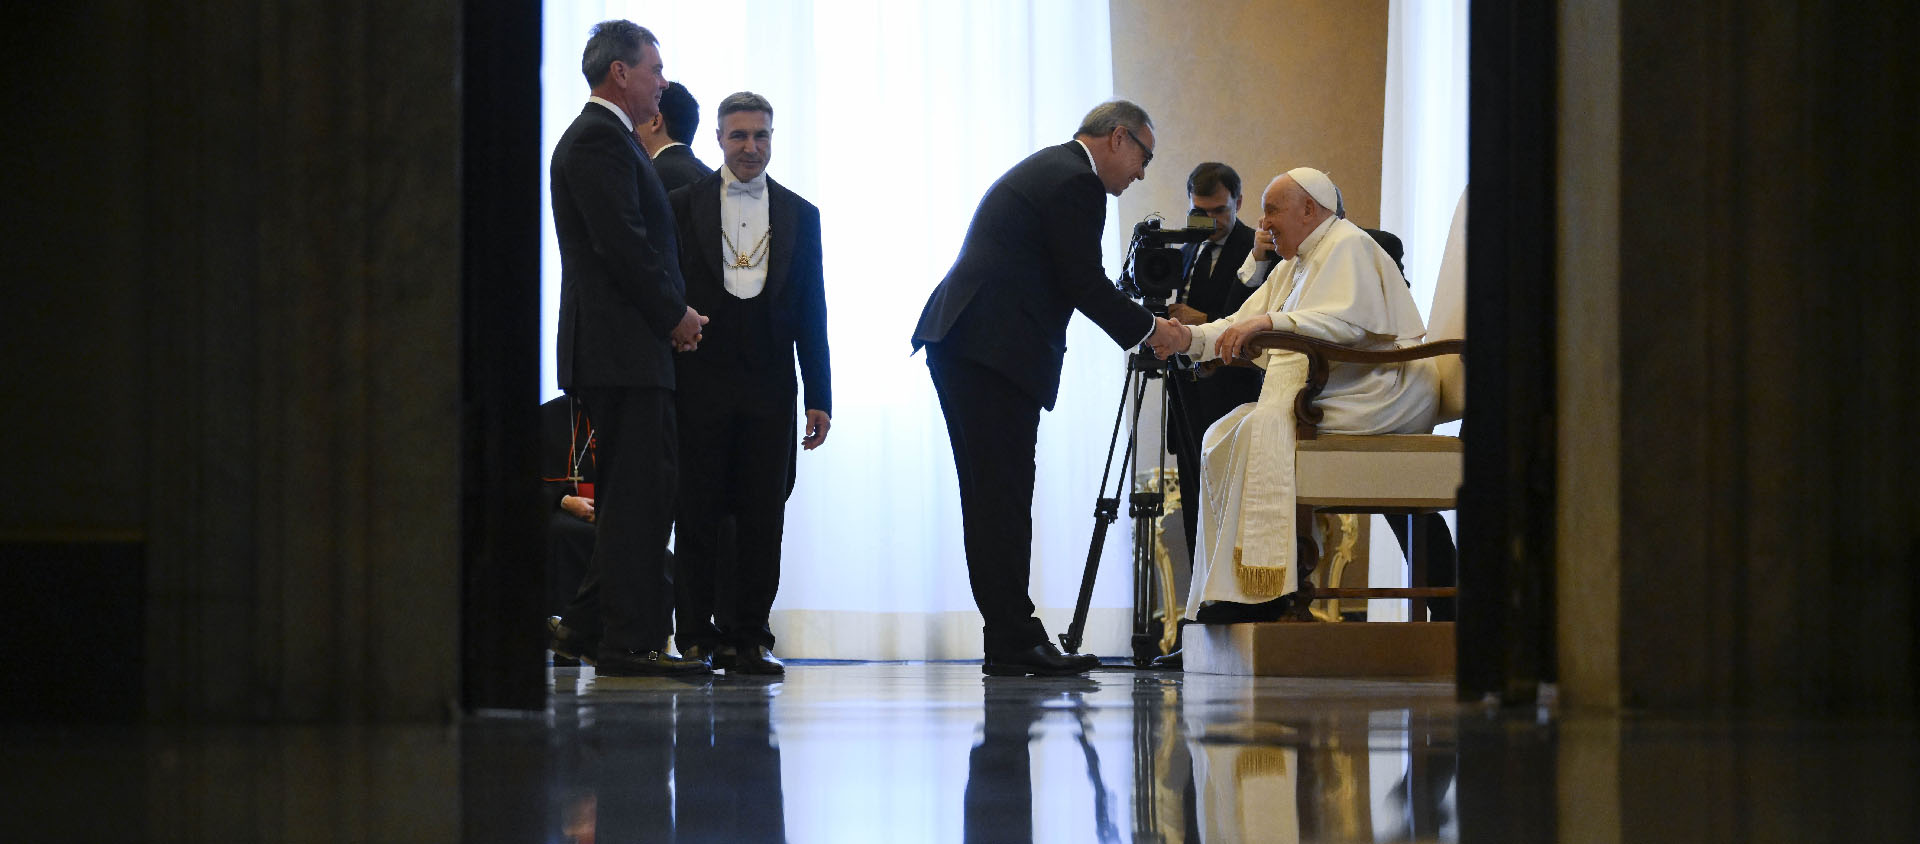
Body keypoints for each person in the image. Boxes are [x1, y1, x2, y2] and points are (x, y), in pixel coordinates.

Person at [912, 100, 1188, 676]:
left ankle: (1011, 636)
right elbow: (1082, 281)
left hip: (973, 345)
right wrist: (1151, 330)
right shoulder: (1075, 183)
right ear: (1118, 139)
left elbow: (1067, 274)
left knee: (995, 498)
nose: (1141, 173)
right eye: (1144, 157)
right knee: (1001, 499)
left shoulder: (1055, 170)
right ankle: (1015, 638)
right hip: (988, 351)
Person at [1155, 168, 1436, 624]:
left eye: (1271, 210)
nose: (1262, 224)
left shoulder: (1347, 244)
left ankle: (1266, 593)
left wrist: (1269, 325)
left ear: (1310, 209)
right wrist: (1185, 338)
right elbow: (1239, 320)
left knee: (1261, 425)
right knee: (1224, 432)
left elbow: (1347, 326)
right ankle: (1235, 590)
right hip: (1340, 384)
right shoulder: (1293, 264)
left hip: (1383, 386)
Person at [546, 20, 711, 676]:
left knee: (637, 493)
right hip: (620, 349)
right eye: (654, 70)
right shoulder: (597, 141)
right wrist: (675, 315)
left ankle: (589, 627)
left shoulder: (608, 140)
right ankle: (628, 644)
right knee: (638, 496)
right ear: (621, 72)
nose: (661, 83)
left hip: (624, 348)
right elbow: (624, 246)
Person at [666, 92, 832, 675]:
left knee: (765, 515)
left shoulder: (800, 213)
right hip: (699, 382)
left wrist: (821, 395)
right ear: (717, 138)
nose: (751, 147)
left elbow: (814, 309)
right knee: (698, 511)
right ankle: (693, 634)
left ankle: (750, 636)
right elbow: (666, 289)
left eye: (761, 135)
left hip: (770, 386)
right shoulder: (682, 205)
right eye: (739, 135)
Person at [636, 81, 713, 192]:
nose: (631, 125)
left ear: (655, 121)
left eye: (636, 115)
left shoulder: (648, 175)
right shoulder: (711, 176)